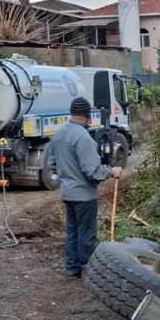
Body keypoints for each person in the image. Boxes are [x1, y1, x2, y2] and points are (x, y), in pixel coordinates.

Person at [50, 96, 122, 277]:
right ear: (88, 116)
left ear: (72, 113)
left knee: (73, 231)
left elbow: (53, 165)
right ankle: (89, 271)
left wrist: (67, 177)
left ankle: (72, 267)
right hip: (84, 195)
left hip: (67, 193)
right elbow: (93, 171)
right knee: (86, 233)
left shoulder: (58, 134)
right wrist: (111, 171)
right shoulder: (83, 137)